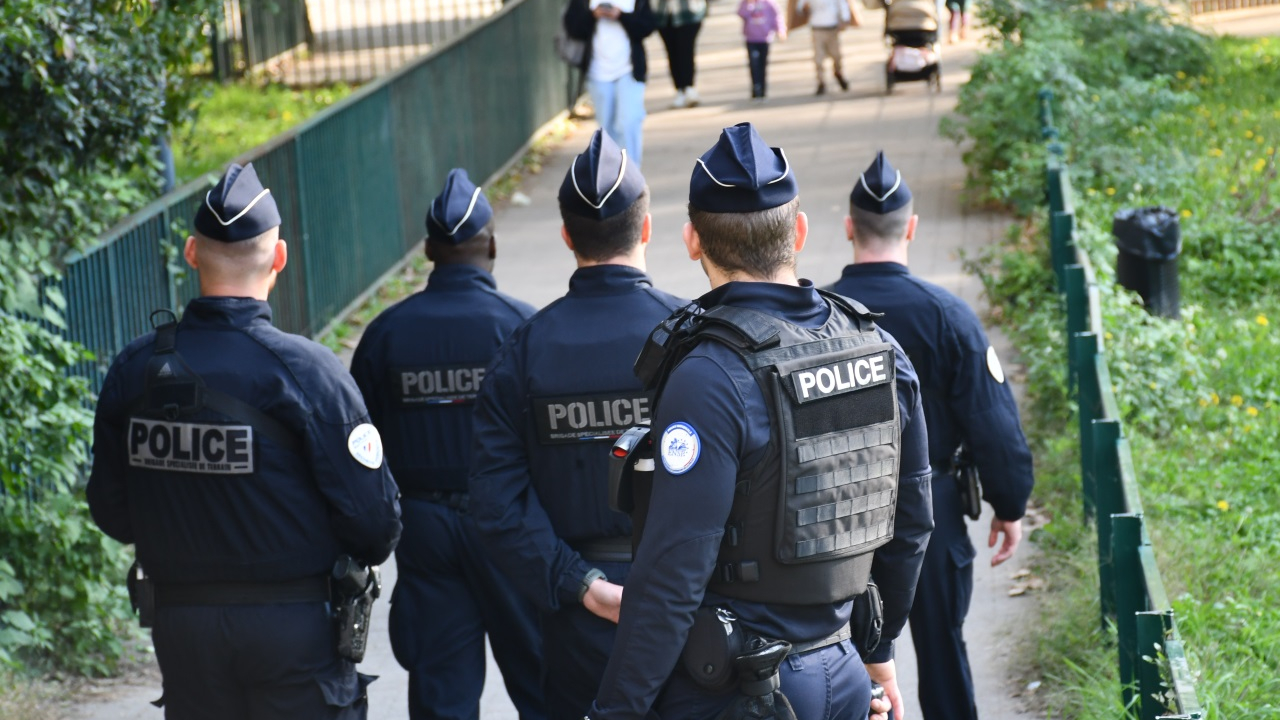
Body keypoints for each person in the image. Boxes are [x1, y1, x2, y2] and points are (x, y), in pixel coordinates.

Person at [587, 123, 933, 720]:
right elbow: (913, 521)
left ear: (693, 241)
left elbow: (672, 576)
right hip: (842, 675)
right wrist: (876, 651)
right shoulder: (879, 349)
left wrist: (614, 711)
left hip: (736, 693)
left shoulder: (710, 376)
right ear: (798, 231)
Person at [86, 162, 402, 720]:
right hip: (295, 634)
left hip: (183, 630)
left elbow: (112, 512)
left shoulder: (135, 369)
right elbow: (375, 527)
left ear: (190, 253)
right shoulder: (308, 373)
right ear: (279, 258)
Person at [469, 130, 686, 720]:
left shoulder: (524, 350)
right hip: (685, 603)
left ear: (566, 237)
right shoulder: (694, 336)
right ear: (646, 228)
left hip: (576, 615)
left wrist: (579, 582)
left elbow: (495, 504)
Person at [828, 151, 1036, 720]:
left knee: (835, 663)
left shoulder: (818, 316)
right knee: (943, 651)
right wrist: (1009, 504)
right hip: (934, 510)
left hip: (833, 517)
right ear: (912, 229)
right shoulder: (948, 314)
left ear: (849, 229)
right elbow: (991, 421)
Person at [350, 169, 545, 720]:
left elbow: (363, 449)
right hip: (509, 526)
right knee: (540, 681)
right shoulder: (523, 327)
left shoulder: (387, 333)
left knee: (442, 693)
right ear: (493, 245)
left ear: (430, 249)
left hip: (424, 528)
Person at [564, 0, 657, 166]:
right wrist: (593, 15)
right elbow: (573, 28)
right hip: (597, 72)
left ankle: (632, 177)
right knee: (607, 129)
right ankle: (613, 176)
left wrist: (620, 16)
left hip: (629, 70)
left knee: (629, 122)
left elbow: (647, 26)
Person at [653, 0, 707, 108]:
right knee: (672, 53)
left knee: (686, 51)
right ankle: (679, 89)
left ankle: (689, 87)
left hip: (689, 12)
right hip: (662, 14)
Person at [795, 0, 856, 95]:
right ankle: (821, 82)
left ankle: (838, 72)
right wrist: (804, 8)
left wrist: (844, 20)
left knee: (837, 55)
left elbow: (842, 6)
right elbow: (800, 7)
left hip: (832, 27)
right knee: (818, 58)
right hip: (817, 28)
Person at [738, 0, 786, 99]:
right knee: (753, 64)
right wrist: (749, 5)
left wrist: (780, 31)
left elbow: (777, 17)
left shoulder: (769, 3)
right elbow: (741, 14)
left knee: (762, 65)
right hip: (751, 39)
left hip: (765, 39)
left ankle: (763, 89)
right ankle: (756, 88)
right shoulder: (746, 2)